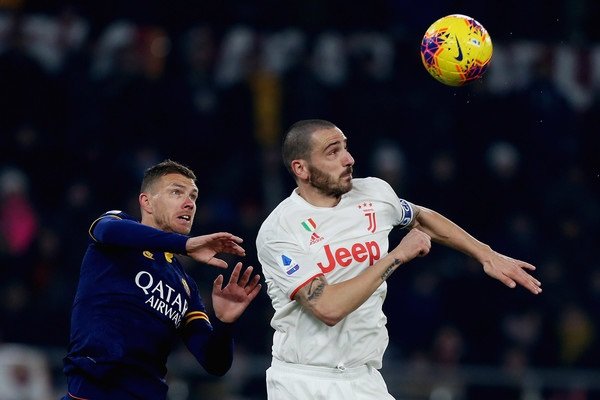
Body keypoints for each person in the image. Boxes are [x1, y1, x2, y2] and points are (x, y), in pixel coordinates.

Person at [256, 119, 542, 400]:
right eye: (333, 152)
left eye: (346, 147)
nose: (348, 159)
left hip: (363, 378)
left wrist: (485, 254)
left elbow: (421, 217)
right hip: (304, 382)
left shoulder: (374, 194)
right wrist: (397, 256)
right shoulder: (280, 229)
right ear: (301, 168)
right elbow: (328, 307)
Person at [62, 159, 261, 399]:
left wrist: (224, 322)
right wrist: (186, 245)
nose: (189, 204)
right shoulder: (116, 230)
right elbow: (106, 231)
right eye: (176, 192)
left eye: (194, 197)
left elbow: (215, 363)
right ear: (146, 201)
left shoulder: (185, 286)